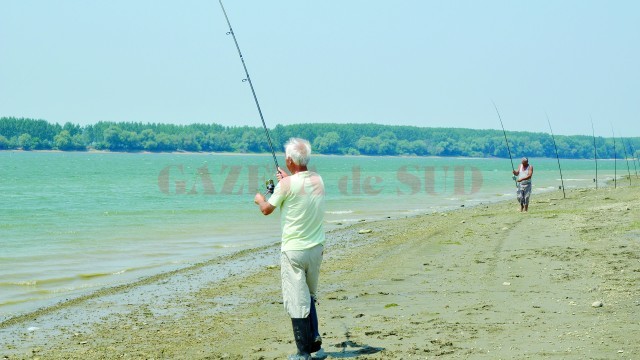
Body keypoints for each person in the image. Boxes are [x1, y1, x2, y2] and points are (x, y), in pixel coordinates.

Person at [254, 138, 325, 360]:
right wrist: (288, 179)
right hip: (316, 249)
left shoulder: (286, 185)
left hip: (294, 252)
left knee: (297, 300)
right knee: (309, 296)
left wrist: (259, 199)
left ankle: (302, 353)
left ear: (289, 160)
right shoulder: (318, 180)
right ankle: (316, 346)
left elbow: (267, 209)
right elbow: (299, 188)